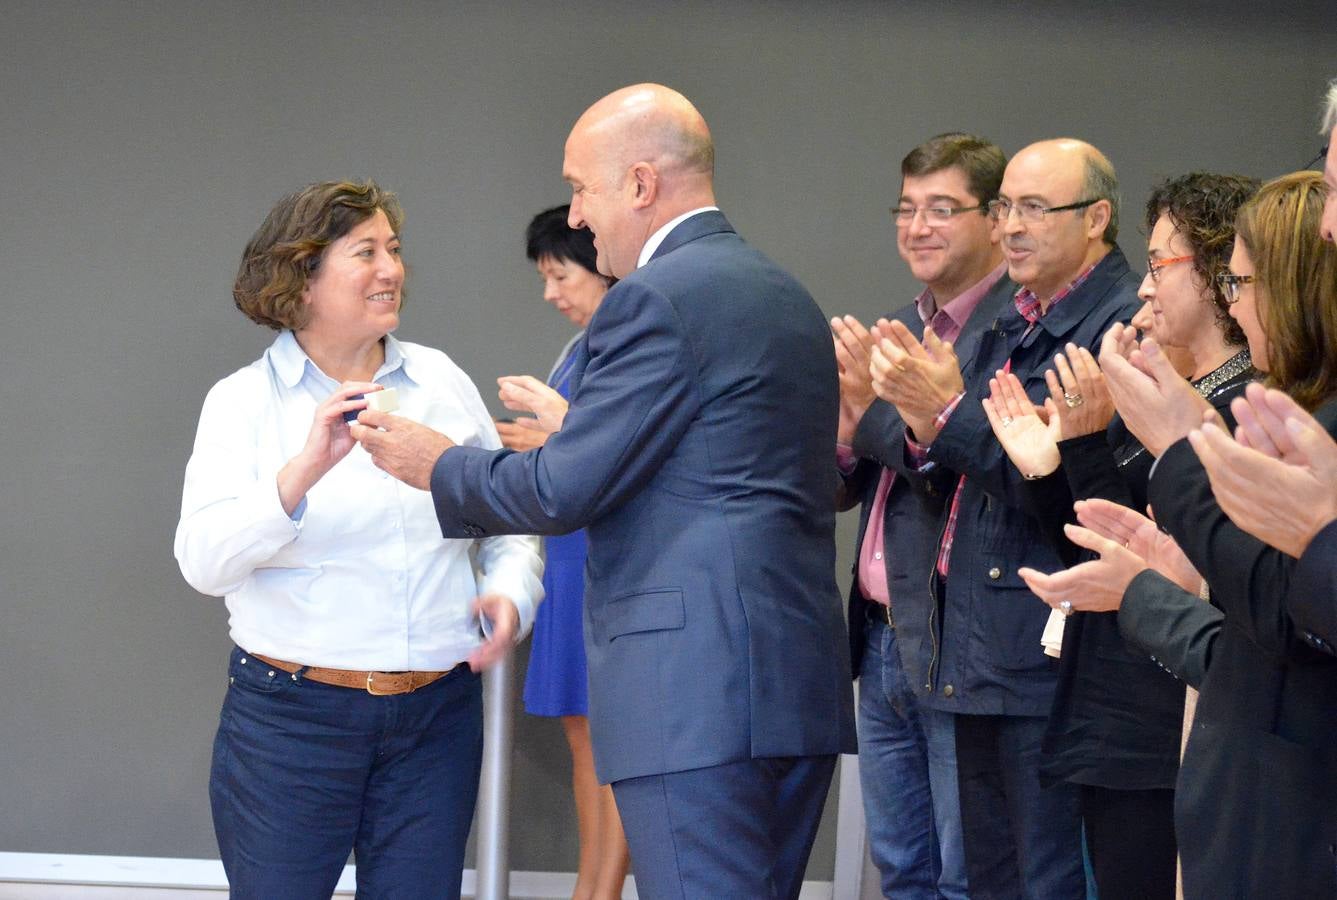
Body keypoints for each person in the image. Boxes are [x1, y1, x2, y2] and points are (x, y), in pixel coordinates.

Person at [351, 84, 856, 899]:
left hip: (696, 691)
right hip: (791, 679)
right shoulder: (782, 293)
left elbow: (560, 490)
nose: (577, 217)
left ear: (642, 185)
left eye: (581, 188)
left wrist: (437, 462)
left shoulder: (653, 300)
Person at [173, 180, 543, 900]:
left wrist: (508, 593)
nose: (391, 270)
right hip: (291, 720)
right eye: (366, 252)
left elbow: (508, 519)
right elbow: (203, 562)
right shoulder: (242, 402)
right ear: (302, 277)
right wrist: (301, 471)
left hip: (435, 716)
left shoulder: (439, 381)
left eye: (395, 251)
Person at [1019, 170, 1337, 898]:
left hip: (1255, 797)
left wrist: (1179, 454)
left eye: (1240, 283)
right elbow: (1247, 622)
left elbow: (1282, 617)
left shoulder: (1261, 412)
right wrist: (1161, 576)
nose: (1236, 300)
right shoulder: (1259, 403)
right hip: (1216, 779)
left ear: (1293, 289)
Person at [867, 138, 1141, 898]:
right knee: (981, 876)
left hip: (1040, 641)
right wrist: (921, 416)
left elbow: (1056, 490)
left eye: (1032, 208)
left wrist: (940, 411)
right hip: (980, 639)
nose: (1011, 227)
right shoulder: (1017, 317)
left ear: (1096, 219)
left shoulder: (1113, 326)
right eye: (1004, 208)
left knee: (1041, 877)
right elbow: (967, 449)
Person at [981, 172, 1258, 899]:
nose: (1141, 290)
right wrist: (1052, 463)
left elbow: (1170, 560)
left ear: (1215, 271)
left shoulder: (1235, 405)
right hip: (1108, 705)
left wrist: (1078, 448)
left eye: (1159, 264)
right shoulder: (1175, 391)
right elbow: (1092, 545)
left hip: (1156, 718)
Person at [832, 132, 1012, 899]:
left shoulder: (1012, 335)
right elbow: (849, 484)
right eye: (906, 209)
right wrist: (844, 429)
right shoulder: (895, 330)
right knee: (900, 868)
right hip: (879, 637)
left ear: (995, 219)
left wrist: (870, 413)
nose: (917, 227)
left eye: (942, 208)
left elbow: (950, 470)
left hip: (956, 641)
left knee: (964, 875)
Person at [498, 205, 629, 900]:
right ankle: (591, 887)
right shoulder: (580, 348)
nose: (552, 292)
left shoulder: (631, 343)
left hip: (607, 559)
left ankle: (598, 891)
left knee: (613, 745)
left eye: (560, 274)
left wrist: (558, 435)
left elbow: (627, 453)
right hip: (569, 554)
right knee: (585, 739)